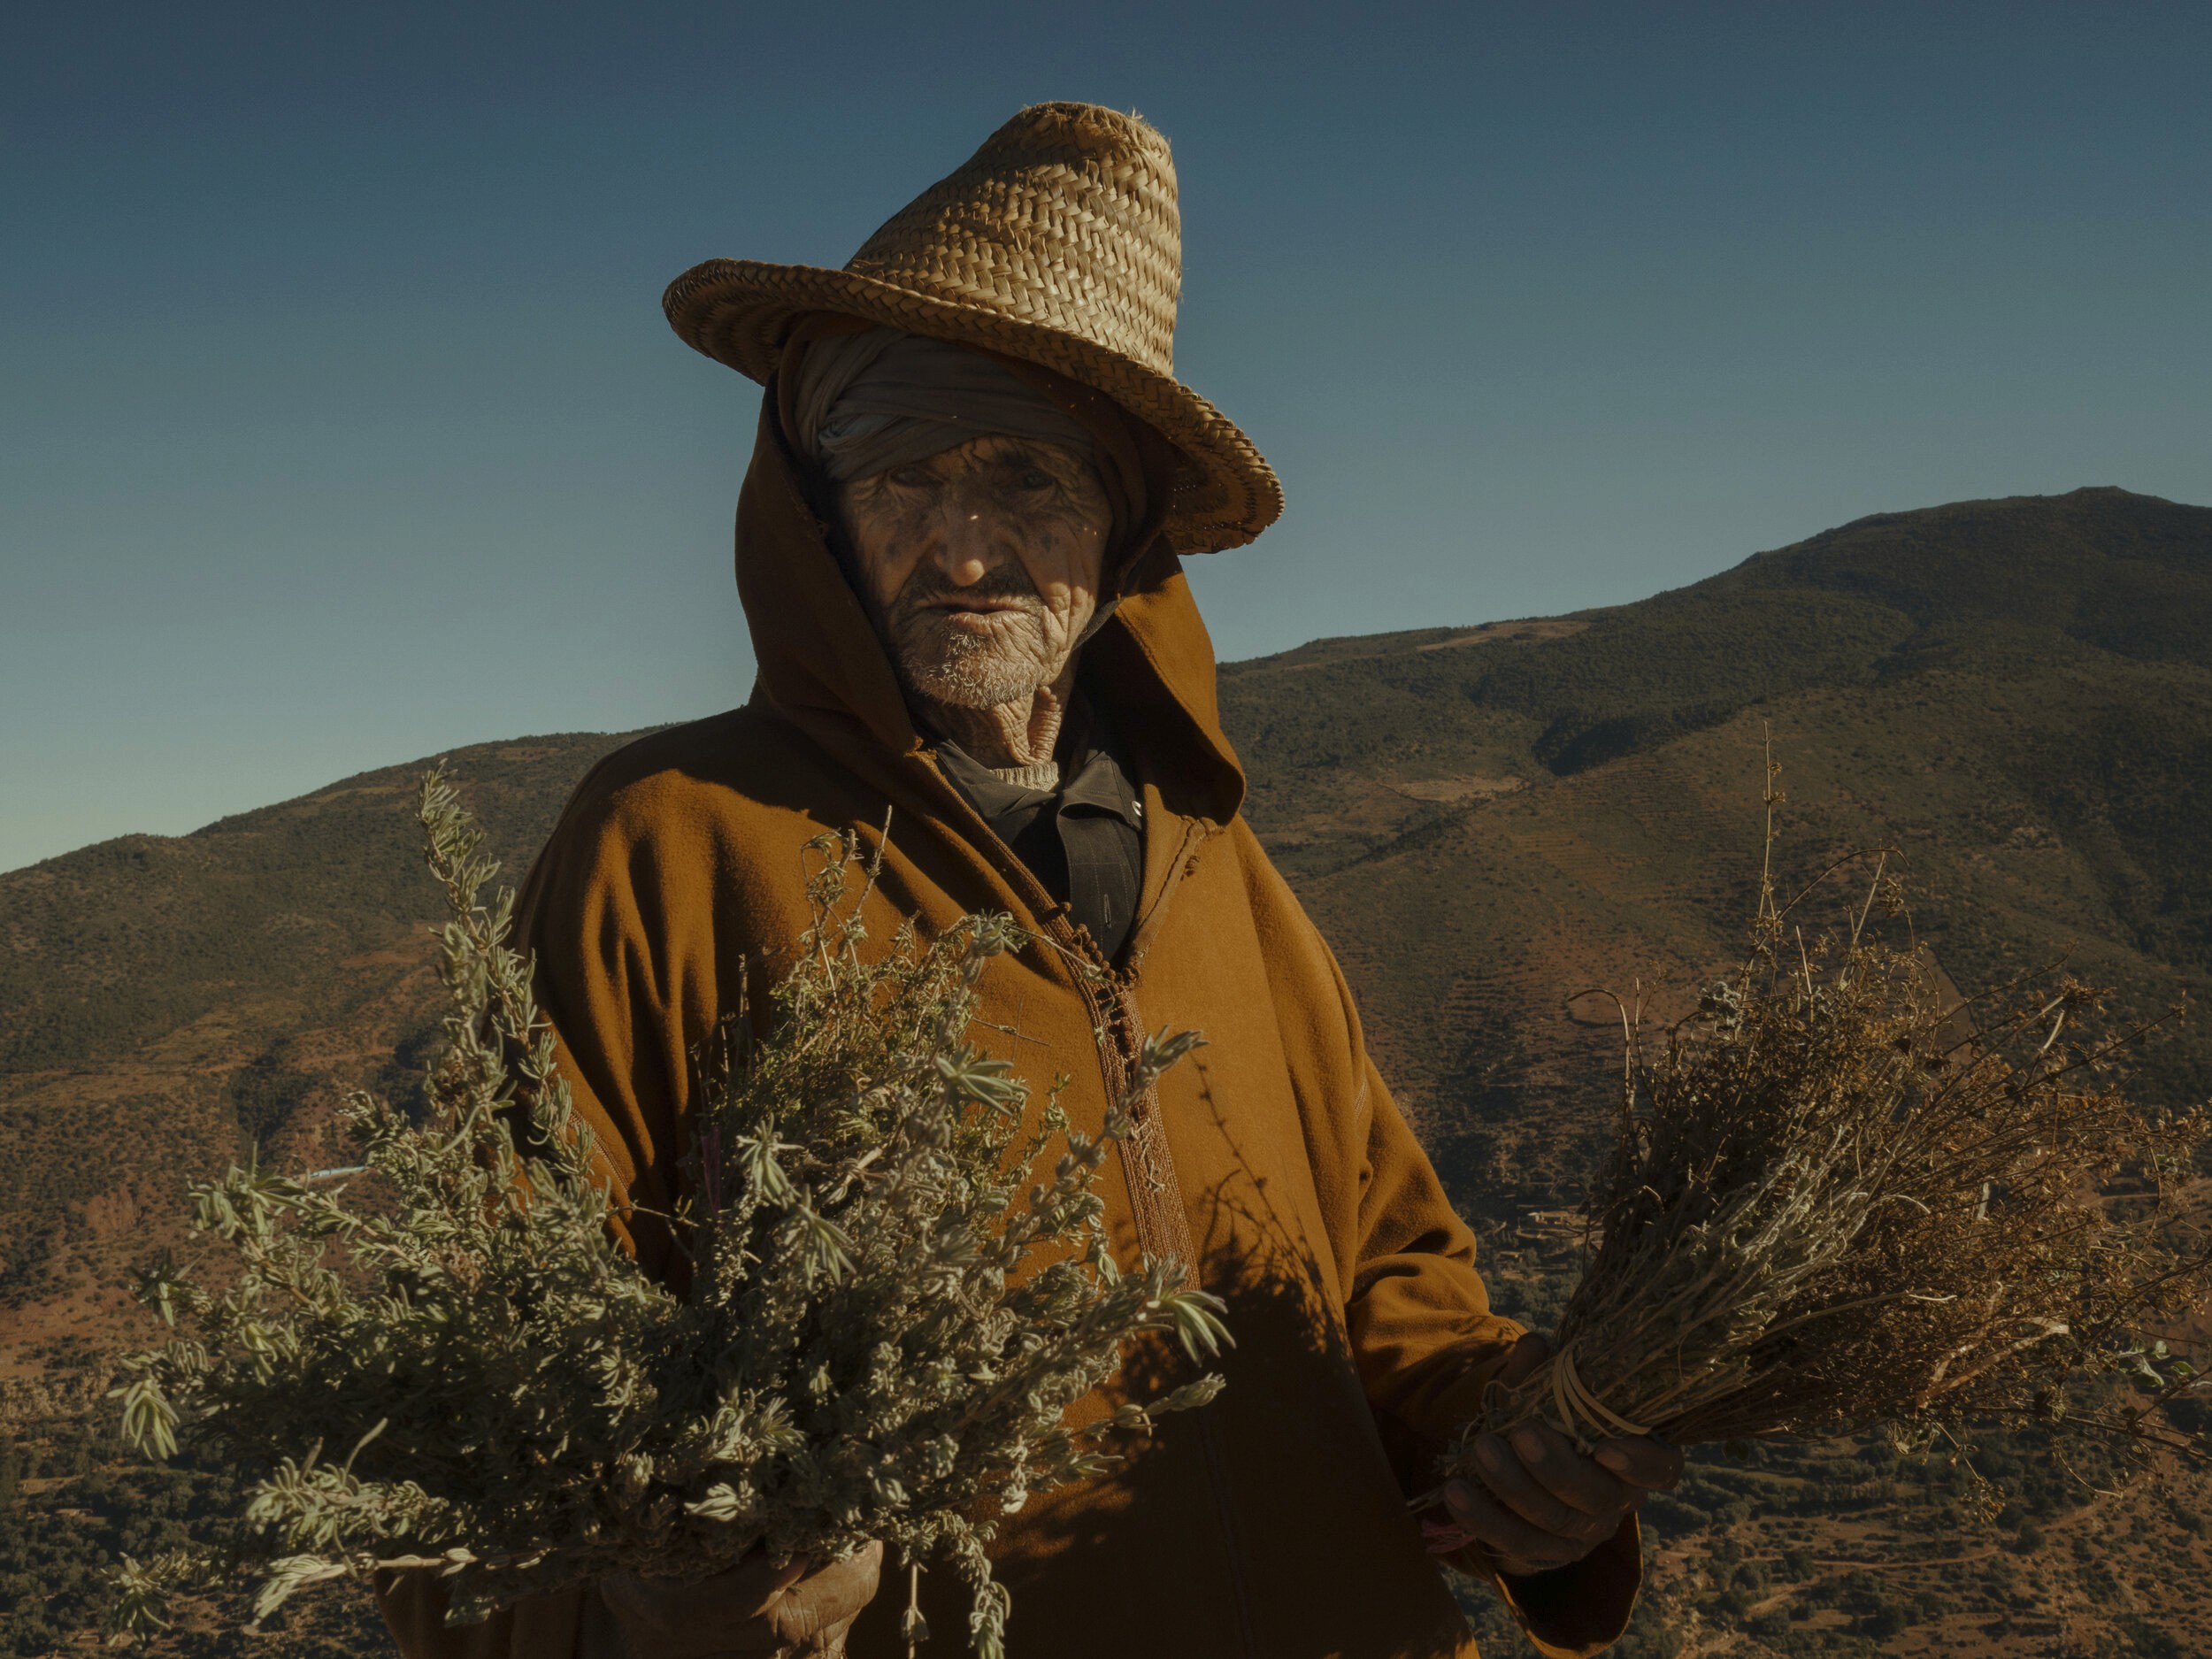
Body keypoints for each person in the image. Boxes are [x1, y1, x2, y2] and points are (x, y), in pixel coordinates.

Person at [376, 101, 1678, 1659]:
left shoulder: (1219, 863)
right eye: (900, 474)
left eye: (1026, 478)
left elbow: (1394, 1285)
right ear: (816, 511)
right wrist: (667, 1597)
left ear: (1121, 528)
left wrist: (1520, 1459)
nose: (965, 545)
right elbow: (461, 1411)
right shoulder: (668, 843)